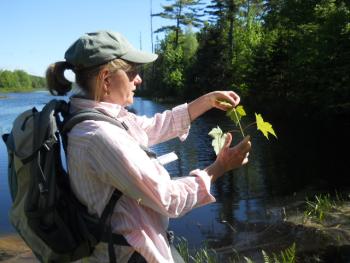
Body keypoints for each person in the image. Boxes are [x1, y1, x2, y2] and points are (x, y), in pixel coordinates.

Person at [46, 31, 251, 263]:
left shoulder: (100, 117)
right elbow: (168, 199)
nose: (139, 79)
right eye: (132, 72)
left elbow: (153, 127)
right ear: (106, 79)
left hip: (136, 248)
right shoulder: (100, 135)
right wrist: (220, 167)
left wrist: (206, 101)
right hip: (133, 255)